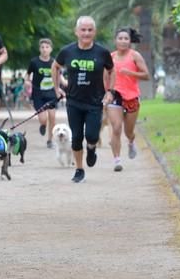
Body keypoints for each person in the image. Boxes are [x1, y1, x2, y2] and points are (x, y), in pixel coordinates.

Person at [52, 16, 115, 183]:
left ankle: (92, 148)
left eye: (90, 30)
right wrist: (57, 87)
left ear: (94, 32)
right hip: (74, 101)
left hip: (95, 101)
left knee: (92, 135)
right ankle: (79, 169)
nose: (86, 33)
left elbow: (111, 70)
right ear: (76, 31)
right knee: (77, 136)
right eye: (83, 30)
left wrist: (110, 91)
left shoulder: (102, 52)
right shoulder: (67, 51)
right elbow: (55, 66)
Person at [106, 28, 150, 172]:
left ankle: (131, 142)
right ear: (115, 40)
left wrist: (130, 72)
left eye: (126, 39)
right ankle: (117, 160)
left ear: (130, 41)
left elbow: (146, 75)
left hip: (131, 97)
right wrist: (107, 92)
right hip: (115, 95)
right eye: (120, 38)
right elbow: (105, 77)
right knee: (116, 128)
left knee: (128, 132)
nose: (123, 41)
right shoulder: (110, 57)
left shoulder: (135, 55)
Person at [25, 38, 60, 148]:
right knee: (44, 119)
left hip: (51, 93)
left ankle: (50, 141)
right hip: (38, 94)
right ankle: (43, 124)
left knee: (52, 117)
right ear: (39, 49)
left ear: (51, 49)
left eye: (47, 47)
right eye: (42, 47)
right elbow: (27, 74)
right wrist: (26, 81)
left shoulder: (54, 62)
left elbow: (59, 76)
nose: (45, 49)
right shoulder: (34, 62)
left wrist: (62, 86)